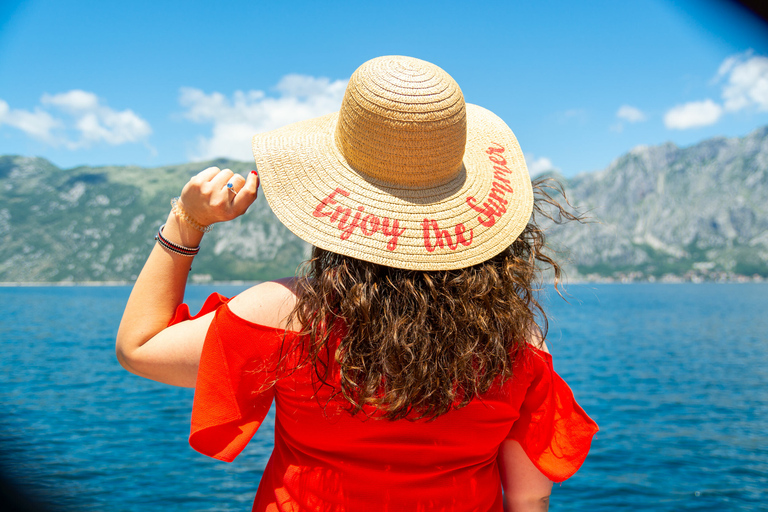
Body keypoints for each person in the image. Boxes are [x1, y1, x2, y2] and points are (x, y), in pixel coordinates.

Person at [116, 55, 597, 512]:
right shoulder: (517, 341)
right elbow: (528, 498)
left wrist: (186, 223)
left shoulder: (285, 315)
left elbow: (139, 347)